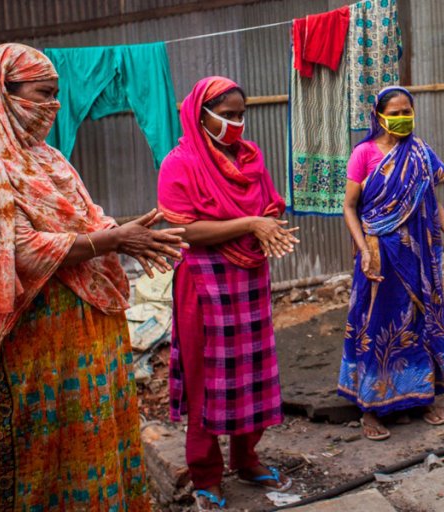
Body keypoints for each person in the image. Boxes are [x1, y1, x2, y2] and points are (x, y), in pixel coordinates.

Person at [0, 43, 187, 511]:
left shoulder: (49, 158)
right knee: (33, 462)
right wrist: (115, 241)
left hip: (84, 346)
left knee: (90, 454)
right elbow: (15, 252)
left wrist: (124, 232)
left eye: (57, 95)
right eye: (42, 94)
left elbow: (89, 218)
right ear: (1, 92)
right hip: (22, 348)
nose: (52, 107)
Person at [158, 76, 298, 510]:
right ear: (200, 115)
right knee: (207, 375)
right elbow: (182, 229)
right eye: (228, 115)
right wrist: (251, 225)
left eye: (241, 115)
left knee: (250, 370)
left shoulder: (250, 158)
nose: (237, 123)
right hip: (203, 278)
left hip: (249, 276)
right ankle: (206, 472)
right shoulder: (179, 163)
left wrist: (269, 223)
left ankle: (246, 456)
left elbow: (268, 204)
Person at [338, 86, 444, 441]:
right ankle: (371, 407)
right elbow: (349, 206)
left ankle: (421, 395)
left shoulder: (421, 153)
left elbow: (431, 201)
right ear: (379, 116)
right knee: (377, 324)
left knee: (420, 320)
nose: (402, 118)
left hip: (420, 253)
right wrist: (363, 248)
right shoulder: (363, 154)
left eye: (406, 111)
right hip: (379, 252)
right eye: (394, 113)